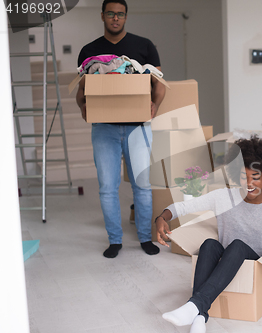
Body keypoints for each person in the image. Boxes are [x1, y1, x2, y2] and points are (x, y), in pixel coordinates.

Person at [155, 137, 262, 333]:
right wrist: (162, 217)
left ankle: (194, 307)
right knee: (208, 244)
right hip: (227, 260)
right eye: (243, 176)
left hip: (260, 264)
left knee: (237, 246)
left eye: (255, 176)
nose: (249, 183)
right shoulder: (224, 197)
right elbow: (183, 207)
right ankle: (199, 317)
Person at [76, 0, 166, 258]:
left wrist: (154, 105)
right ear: (102, 15)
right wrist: (83, 105)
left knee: (143, 186)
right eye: (111, 14)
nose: (116, 18)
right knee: (107, 187)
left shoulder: (144, 46)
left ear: (126, 16)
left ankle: (145, 238)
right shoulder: (89, 50)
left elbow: (159, 84)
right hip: (104, 128)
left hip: (138, 127)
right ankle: (115, 240)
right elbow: (83, 90)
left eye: (120, 14)